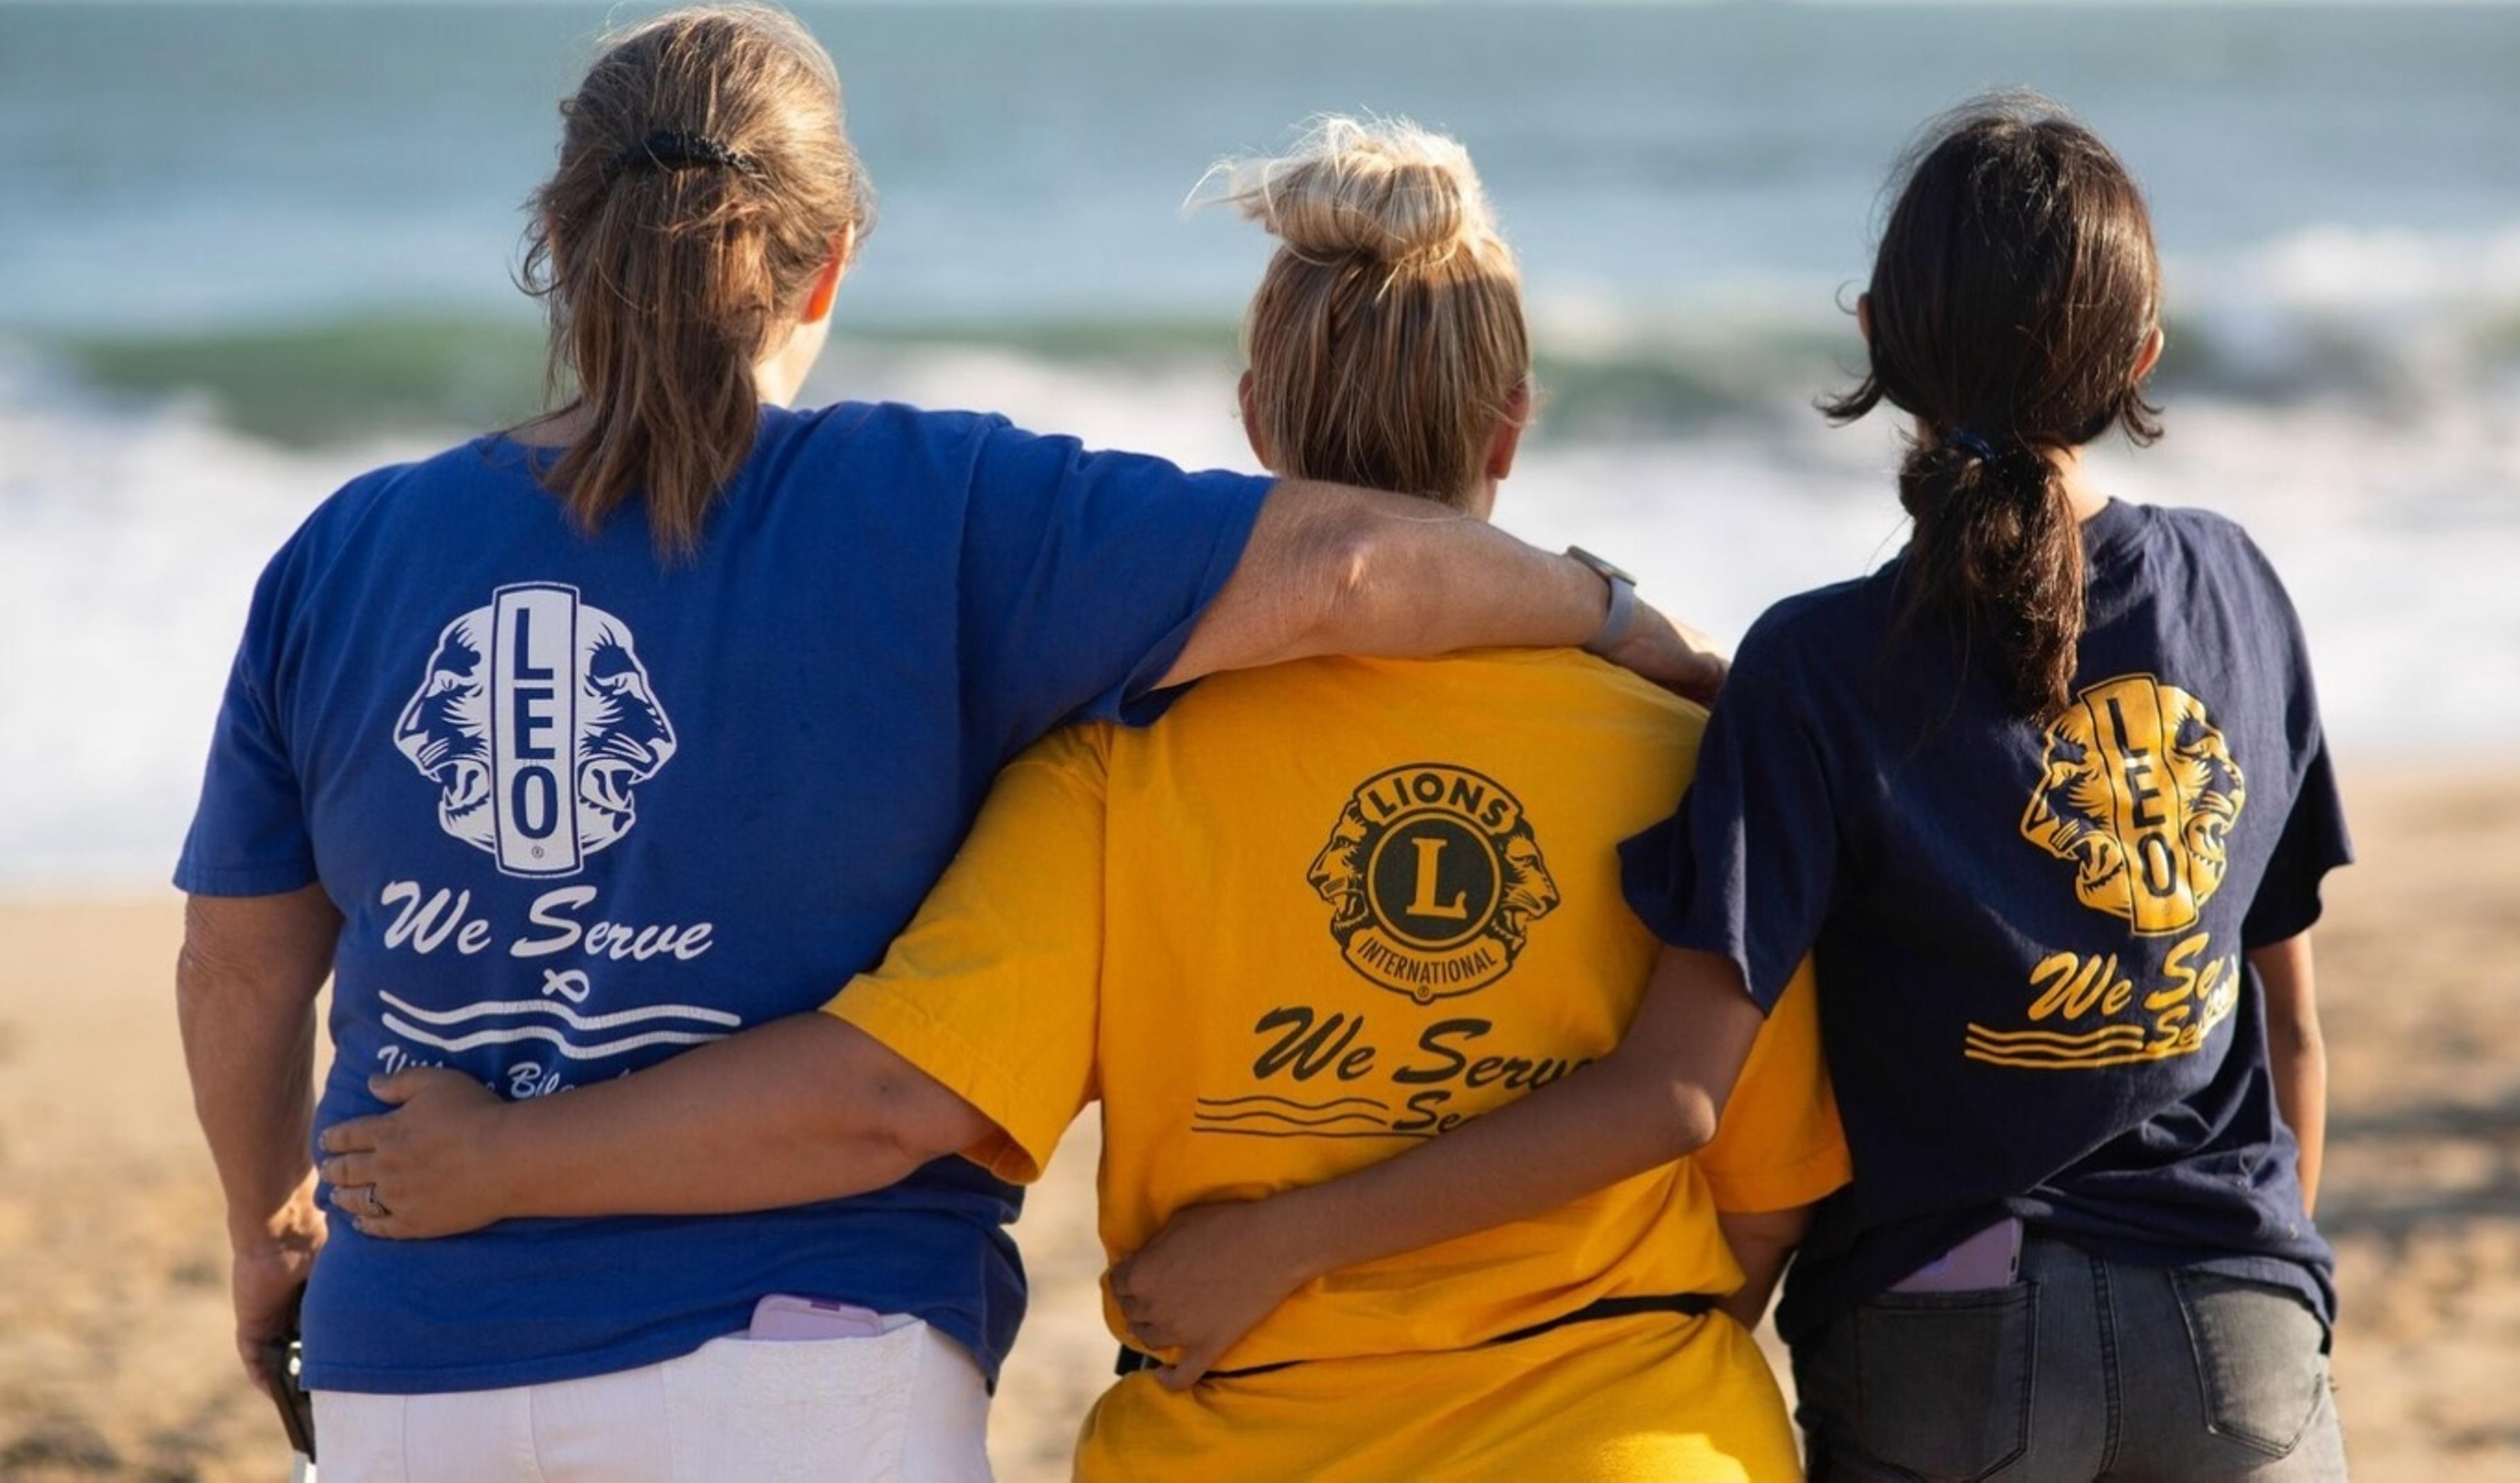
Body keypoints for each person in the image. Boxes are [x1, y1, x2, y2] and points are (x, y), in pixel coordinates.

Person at [173, 11, 1719, 1480]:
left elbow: (242, 968)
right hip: (803, 1357)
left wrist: (271, 1232)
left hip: (412, 1363)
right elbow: (1350, 571)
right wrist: (1620, 618)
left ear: (560, 245)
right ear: (831, 261)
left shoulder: (349, 549)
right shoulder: (937, 510)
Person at [1108, 95, 2351, 1482]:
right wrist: (2270, 1300)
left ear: (1876, 332)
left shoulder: (1816, 668)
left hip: (1948, 1335)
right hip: (2237, 1327)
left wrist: (1288, 1239)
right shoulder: (2241, 589)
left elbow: (1675, 1095)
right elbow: (2288, 1028)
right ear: (2140, 356)